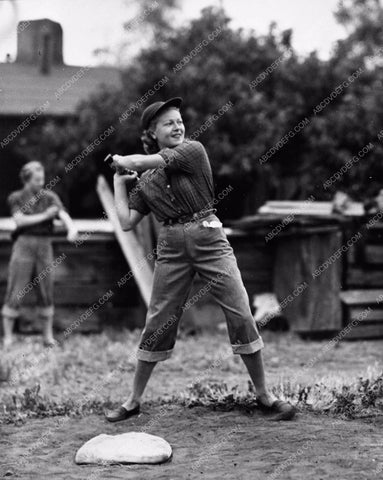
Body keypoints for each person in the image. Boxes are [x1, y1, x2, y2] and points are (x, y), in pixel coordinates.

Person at [105, 97, 296, 422]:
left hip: (208, 237)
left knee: (240, 311)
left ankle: (265, 396)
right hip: (171, 246)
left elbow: (140, 162)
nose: (178, 126)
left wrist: (124, 160)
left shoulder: (192, 151)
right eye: (169, 123)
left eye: (179, 120)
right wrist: (118, 184)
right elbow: (125, 221)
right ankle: (133, 400)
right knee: (158, 320)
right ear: (152, 132)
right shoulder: (148, 182)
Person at [1, 161, 78, 348]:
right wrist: (45, 216)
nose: (41, 183)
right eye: (37, 180)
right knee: (16, 289)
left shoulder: (50, 196)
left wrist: (71, 228)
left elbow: (62, 213)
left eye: (42, 179)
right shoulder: (16, 197)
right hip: (24, 245)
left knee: (46, 290)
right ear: (27, 180)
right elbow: (19, 221)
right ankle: (9, 337)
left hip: (44, 245)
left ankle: (47, 337)